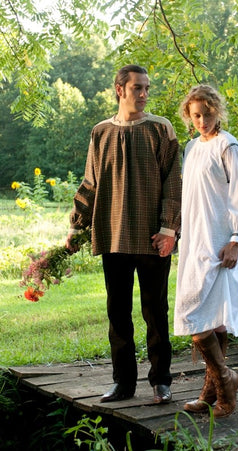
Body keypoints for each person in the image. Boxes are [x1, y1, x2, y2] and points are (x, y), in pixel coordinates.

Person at [66, 64, 181, 404]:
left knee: (155, 312)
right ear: (120, 90)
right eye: (137, 88)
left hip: (152, 238)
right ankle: (123, 384)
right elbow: (90, 183)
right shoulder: (100, 132)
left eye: (147, 88)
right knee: (117, 313)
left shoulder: (161, 129)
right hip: (113, 235)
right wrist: (76, 226)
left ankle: (161, 381)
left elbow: (173, 181)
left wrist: (167, 228)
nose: (144, 94)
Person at [174, 84, 238, 418]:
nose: (202, 121)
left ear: (217, 111)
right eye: (196, 115)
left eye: (207, 114)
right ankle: (216, 388)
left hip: (222, 242)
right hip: (195, 241)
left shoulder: (228, 145)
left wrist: (236, 239)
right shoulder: (192, 147)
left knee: (209, 318)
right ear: (189, 117)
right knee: (198, 313)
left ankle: (221, 385)